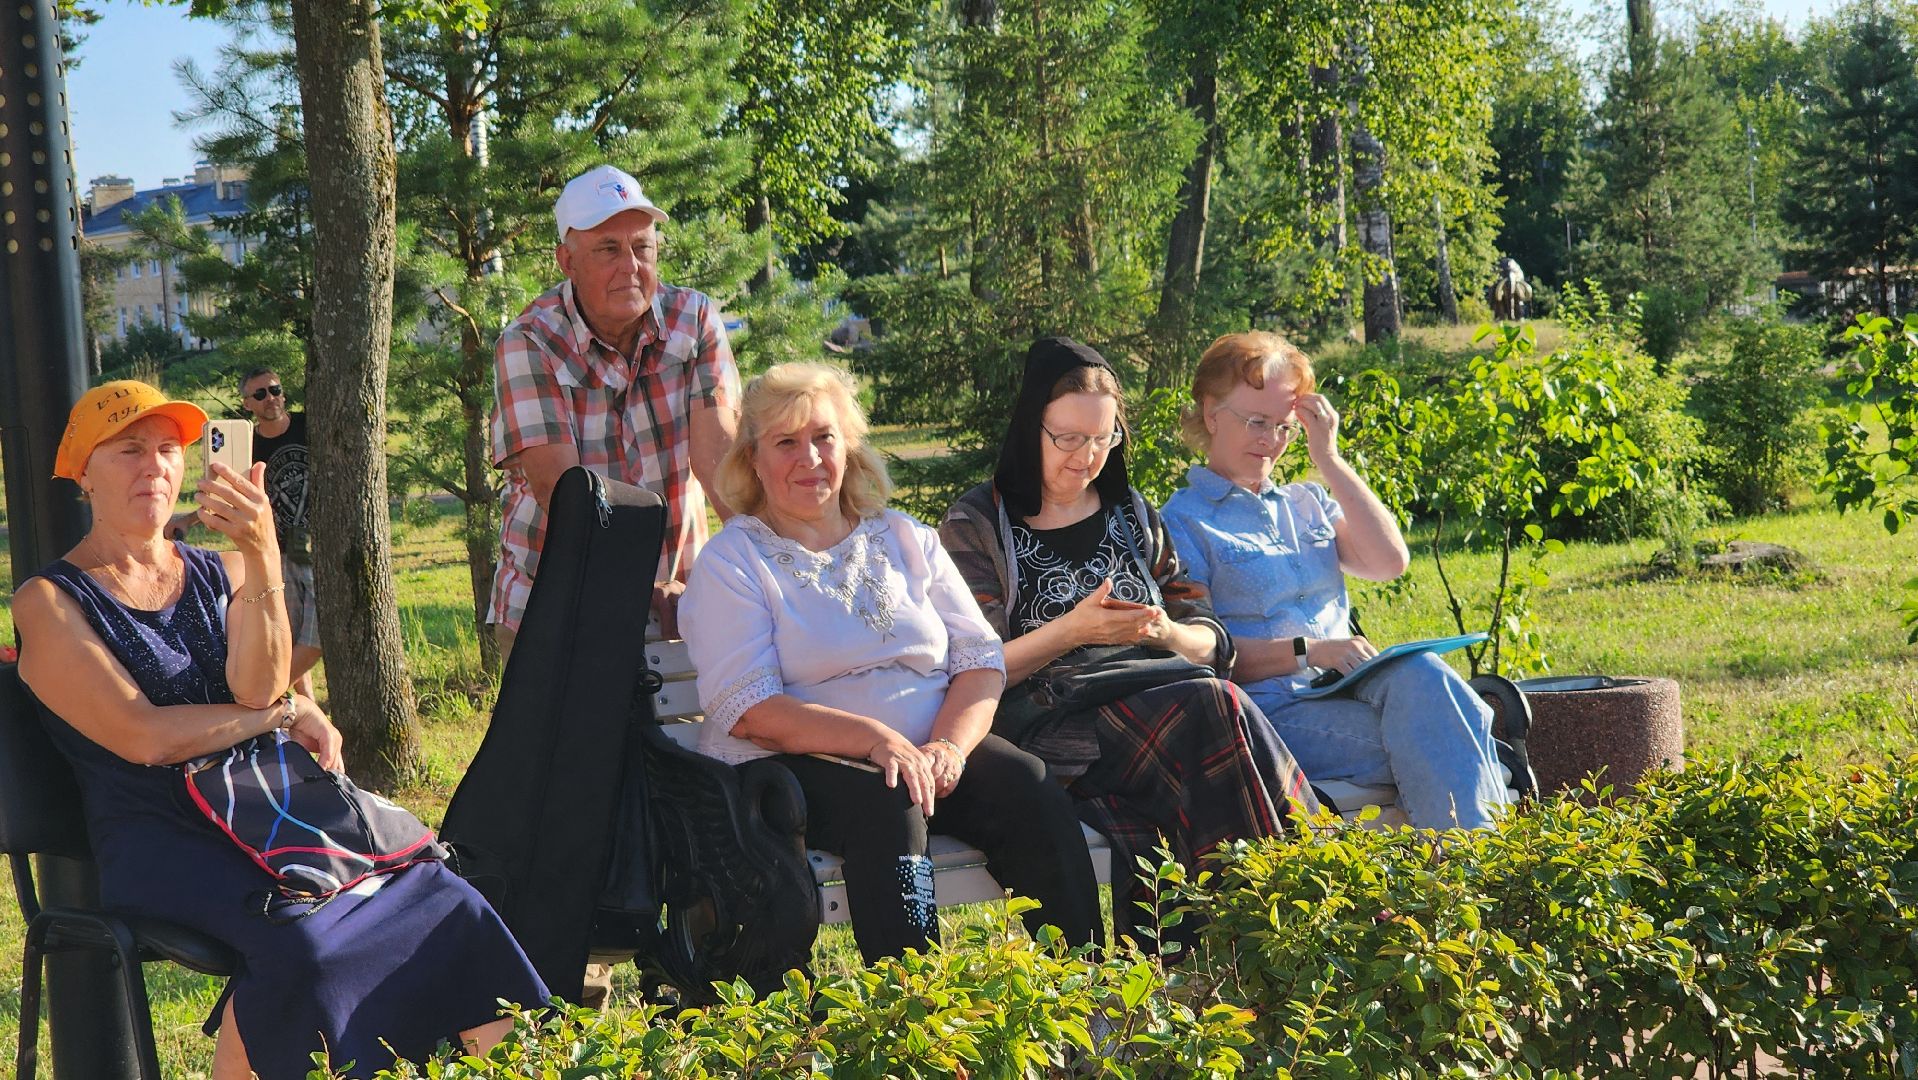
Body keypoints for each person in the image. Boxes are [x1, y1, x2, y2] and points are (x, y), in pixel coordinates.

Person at [13, 381, 549, 1079]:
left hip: (276, 810)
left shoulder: (224, 567)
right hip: (162, 833)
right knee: (308, 946)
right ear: (84, 471)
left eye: (170, 449)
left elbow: (262, 683)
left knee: (449, 902)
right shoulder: (48, 601)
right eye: (128, 450)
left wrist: (264, 551)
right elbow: (146, 737)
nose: (154, 467)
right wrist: (279, 715)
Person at [680, 363, 1102, 963]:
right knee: (890, 802)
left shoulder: (905, 538)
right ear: (752, 460)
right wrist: (875, 739)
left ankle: (1088, 998)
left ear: (849, 447)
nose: (810, 458)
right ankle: (915, 1025)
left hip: (924, 755)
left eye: (824, 437)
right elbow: (749, 710)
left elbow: (980, 662)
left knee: (1028, 786)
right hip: (789, 765)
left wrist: (950, 748)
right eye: (785, 442)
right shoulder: (736, 561)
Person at [939, 337, 1319, 945]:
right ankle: (1300, 914)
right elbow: (971, 668)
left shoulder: (1129, 512)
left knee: (1211, 705)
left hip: (1165, 704)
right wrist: (1074, 632)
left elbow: (1213, 641)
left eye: (1101, 438)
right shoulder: (977, 524)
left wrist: (1168, 632)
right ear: (1029, 426)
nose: (1085, 457)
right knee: (1214, 708)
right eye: (1067, 438)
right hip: (1052, 723)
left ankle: (1246, 936)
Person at [1160, 331, 1509, 830]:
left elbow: (1389, 561)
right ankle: (1478, 882)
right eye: (1256, 421)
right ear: (1211, 413)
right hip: (1270, 713)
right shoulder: (1183, 522)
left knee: (1424, 674)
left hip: (1351, 690)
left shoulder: (1306, 504)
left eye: (1284, 427)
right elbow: (1200, 650)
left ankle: (1463, 877)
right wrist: (1311, 650)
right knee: (1454, 730)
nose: (1271, 440)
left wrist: (1329, 457)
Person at [490, 163, 740, 663]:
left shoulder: (693, 319)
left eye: (642, 246)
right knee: (580, 743)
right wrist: (638, 589)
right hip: (555, 602)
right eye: (608, 249)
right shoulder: (530, 342)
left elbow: (721, 464)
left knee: (691, 738)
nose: (630, 265)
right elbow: (565, 498)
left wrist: (769, 572)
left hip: (681, 599)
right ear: (567, 261)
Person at [175, 368, 321, 699]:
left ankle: (261, 699)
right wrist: (188, 519)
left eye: (274, 390)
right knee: (288, 634)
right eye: (259, 395)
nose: (270, 398)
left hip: (320, 549)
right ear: (247, 405)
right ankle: (300, 710)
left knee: (314, 640)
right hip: (277, 550)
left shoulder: (309, 425)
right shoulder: (248, 447)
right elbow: (226, 496)